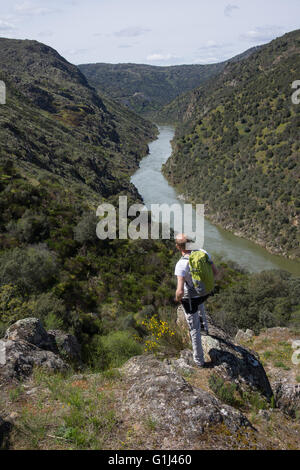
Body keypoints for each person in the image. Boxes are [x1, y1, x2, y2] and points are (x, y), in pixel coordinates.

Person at [174, 233, 218, 368]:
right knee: (200, 303)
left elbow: (180, 291)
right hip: (206, 293)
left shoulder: (181, 264)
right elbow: (215, 272)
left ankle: (199, 361)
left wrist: (177, 299)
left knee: (194, 329)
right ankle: (205, 327)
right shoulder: (203, 253)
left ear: (178, 247)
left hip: (191, 299)